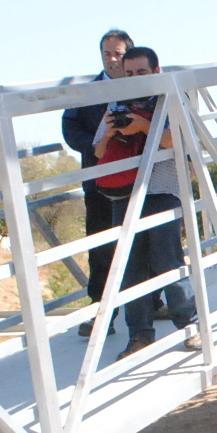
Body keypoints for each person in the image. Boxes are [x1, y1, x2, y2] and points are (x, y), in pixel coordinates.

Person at [94, 46, 198, 356]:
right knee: (130, 267)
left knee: (168, 260)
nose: (134, 79)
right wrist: (111, 133)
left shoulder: (172, 99)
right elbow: (98, 152)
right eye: (128, 74)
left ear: (156, 71)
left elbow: (177, 138)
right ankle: (139, 336)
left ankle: (191, 327)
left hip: (163, 189)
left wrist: (144, 126)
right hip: (124, 192)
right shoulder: (116, 102)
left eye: (141, 72)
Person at [60, 29, 136, 337]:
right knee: (102, 246)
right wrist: (92, 148)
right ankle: (101, 314)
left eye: (118, 53)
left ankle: (152, 301)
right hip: (99, 180)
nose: (113, 60)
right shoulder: (87, 92)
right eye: (107, 54)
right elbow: (69, 124)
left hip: (141, 178)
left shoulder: (144, 85)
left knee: (143, 243)